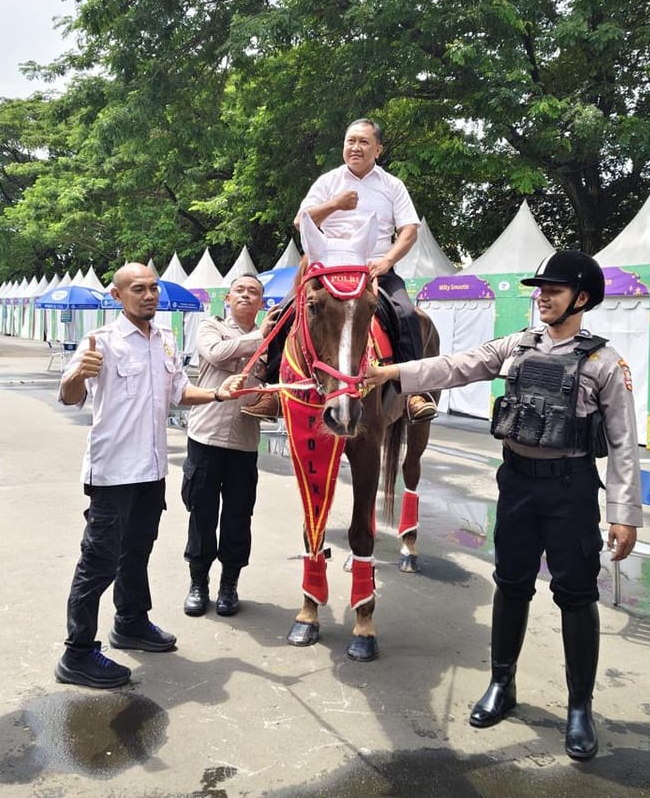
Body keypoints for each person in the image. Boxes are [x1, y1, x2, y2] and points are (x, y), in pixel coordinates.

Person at [365, 250, 640, 760]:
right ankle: (502, 685)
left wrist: (624, 513)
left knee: (576, 596)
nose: (542, 296)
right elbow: (455, 365)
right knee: (511, 585)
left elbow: (624, 442)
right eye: (540, 288)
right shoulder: (517, 345)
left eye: (553, 290)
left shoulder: (603, 363)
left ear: (581, 299)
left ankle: (580, 707)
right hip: (516, 484)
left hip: (571, 488)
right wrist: (392, 374)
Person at [55, 262, 247, 689]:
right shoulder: (101, 342)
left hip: (152, 470)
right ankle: (78, 652)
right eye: (138, 289)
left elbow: (177, 392)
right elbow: (69, 397)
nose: (148, 295)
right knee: (99, 562)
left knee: (137, 552)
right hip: (113, 474)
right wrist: (77, 374)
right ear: (117, 295)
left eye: (153, 288)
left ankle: (131, 623)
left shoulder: (165, 341)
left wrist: (218, 391)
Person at [245, 118, 436, 421]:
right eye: (351, 141)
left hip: (373, 269)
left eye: (363, 142)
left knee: (407, 314)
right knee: (285, 313)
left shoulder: (392, 186)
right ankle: (272, 390)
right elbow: (301, 221)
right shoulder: (328, 182)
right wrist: (335, 204)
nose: (355, 148)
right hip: (327, 270)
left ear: (378, 149)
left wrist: (387, 260)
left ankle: (412, 391)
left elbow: (409, 230)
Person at [180, 273, 273, 617]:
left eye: (254, 293)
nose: (247, 296)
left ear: (262, 303)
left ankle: (229, 584)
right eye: (240, 290)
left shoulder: (270, 338)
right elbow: (217, 354)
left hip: (245, 442)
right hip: (206, 437)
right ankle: (198, 582)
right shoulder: (211, 327)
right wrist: (260, 336)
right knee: (201, 514)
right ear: (228, 299)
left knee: (238, 516)